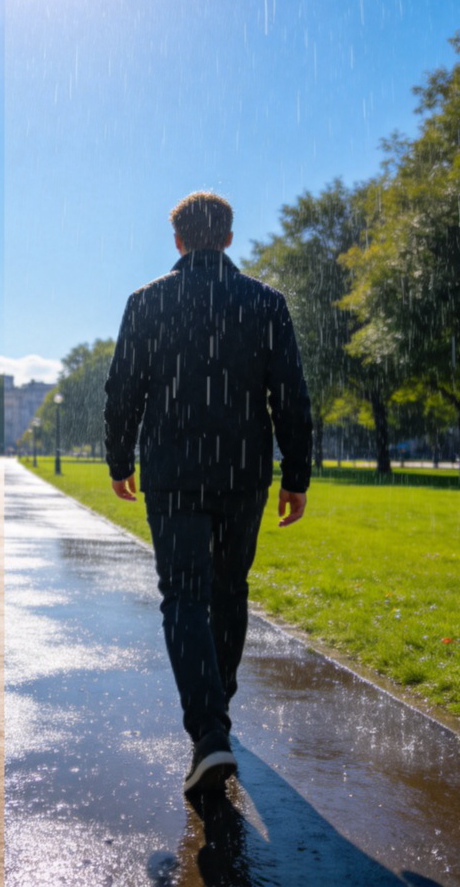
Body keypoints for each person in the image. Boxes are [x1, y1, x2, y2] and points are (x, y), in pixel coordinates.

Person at [104, 190, 312, 794]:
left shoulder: (148, 301)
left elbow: (124, 391)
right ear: (227, 237)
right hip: (243, 470)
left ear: (177, 241)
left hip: (173, 470)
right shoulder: (265, 302)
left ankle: (208, 730)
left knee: (185, 597)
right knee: (228, 589)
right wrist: (296, 473)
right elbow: (290, 394)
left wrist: (120, 459)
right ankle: (216, 709)